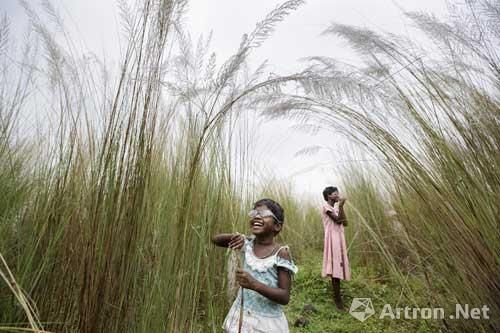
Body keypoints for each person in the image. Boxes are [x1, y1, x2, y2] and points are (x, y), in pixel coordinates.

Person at [212, 198, 298, 333]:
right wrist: (236, 236)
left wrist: (254, 284)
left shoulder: (281, 253)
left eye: (264, 214)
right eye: (254, 213)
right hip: (241, 316)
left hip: (265, 323)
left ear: (277, 226)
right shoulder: (246, 244)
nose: (257, 216)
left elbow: (284, 296)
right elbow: (215, 239)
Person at [321, 186, 351, 310]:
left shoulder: (337, 208)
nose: (338, 194)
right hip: (332, 240)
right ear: (329, 196)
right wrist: (342, 206)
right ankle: (338, 302)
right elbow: (338, 221)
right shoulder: (326, 207)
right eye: (335, 193)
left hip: (339, 240)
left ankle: (338, 299)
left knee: (338, 268)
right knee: (334, 271)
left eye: (338, 192)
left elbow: (345, 222)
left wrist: (341, 208)